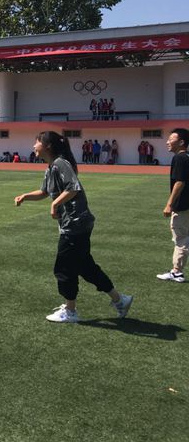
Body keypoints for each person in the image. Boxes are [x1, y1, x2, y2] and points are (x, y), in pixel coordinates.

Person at [14, 131, 133, 322]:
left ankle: (70, 311)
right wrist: (25, 196)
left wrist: (55, 204)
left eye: (36, 142)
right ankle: (120, 300)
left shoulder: (60, 163)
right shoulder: (51, 167)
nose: (33, 146)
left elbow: (73, 187)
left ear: (48, 146)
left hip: (75, 224)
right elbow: (44, 191)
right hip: (78, 223)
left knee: (64, 267)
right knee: (85, 266)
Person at [157, 128, 189, 283]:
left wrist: (169, 204)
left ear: (181, 142)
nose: (167, 142)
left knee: (181, 238)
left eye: (171, 139)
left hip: (182, 206)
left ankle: (177, 272)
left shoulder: (180, 158)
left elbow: (179, 182)